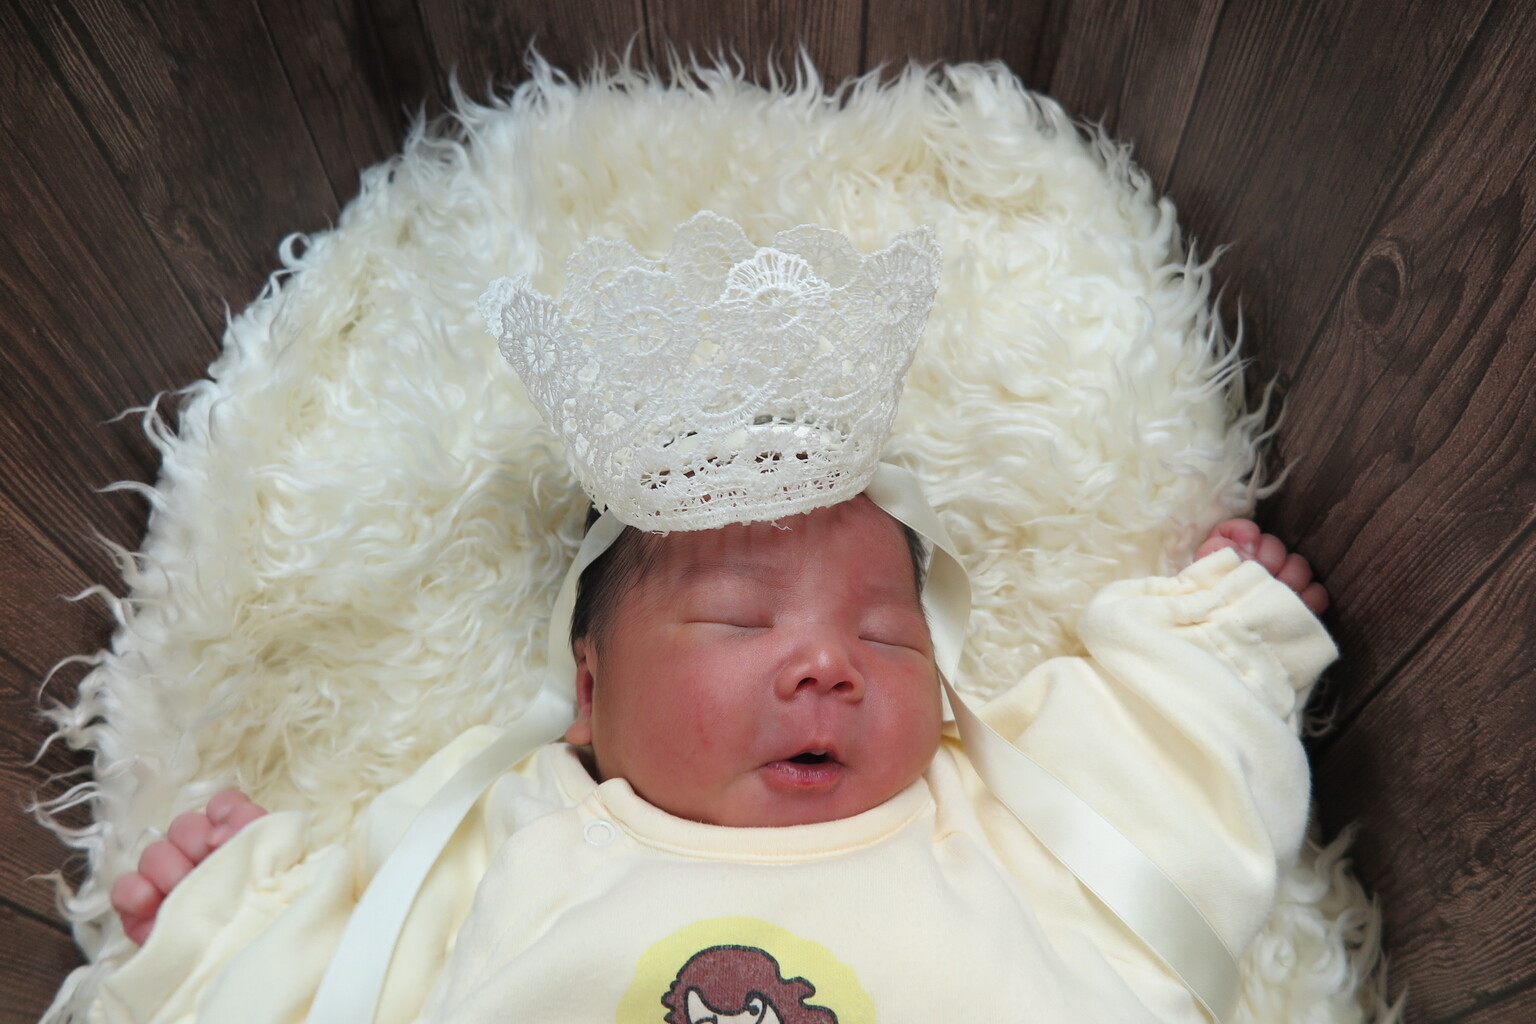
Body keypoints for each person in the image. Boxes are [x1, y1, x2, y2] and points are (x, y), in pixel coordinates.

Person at [96, 213, 1334, 1023]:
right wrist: (226, 930)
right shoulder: (521, 835)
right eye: (742, 621)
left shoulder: (988, 809)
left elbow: (1159, 787)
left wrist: (1222, 640)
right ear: (588, 693)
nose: (829, 662)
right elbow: (358, 961)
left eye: (888, 633)